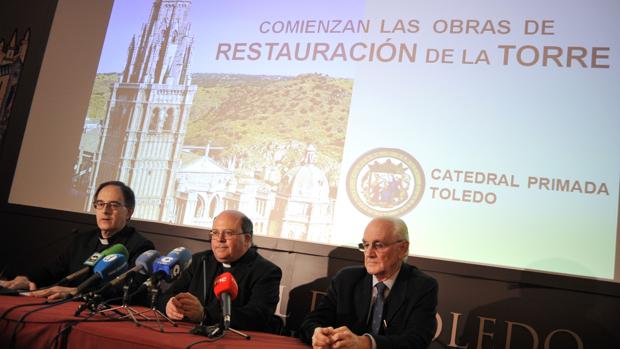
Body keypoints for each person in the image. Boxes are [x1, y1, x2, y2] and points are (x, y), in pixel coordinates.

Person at [0, 181, 155, 300]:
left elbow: (130, 290)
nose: (105, 210)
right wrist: (28, 279)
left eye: (113, 205)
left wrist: (77, 292)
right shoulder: (82, 240)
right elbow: (53, 270)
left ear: (128, 212)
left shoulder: (140, 246)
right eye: (100, 204)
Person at [299, 217, 438, 349]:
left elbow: (417, 341)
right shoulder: (346, 279)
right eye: (365, 245)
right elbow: (312, 322)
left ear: (402, 249)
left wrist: (365, 343)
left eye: (379, 245)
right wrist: (317, 333)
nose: (369, 253)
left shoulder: (422, 286)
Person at [161, 210, 282, 333]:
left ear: (247, 239)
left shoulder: (266, 272)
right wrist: (169, 305)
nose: (220, 239)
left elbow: (257, 317)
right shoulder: (200, 261)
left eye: (228, 233)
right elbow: (168, 295)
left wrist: (205, 314)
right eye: (215, 233)